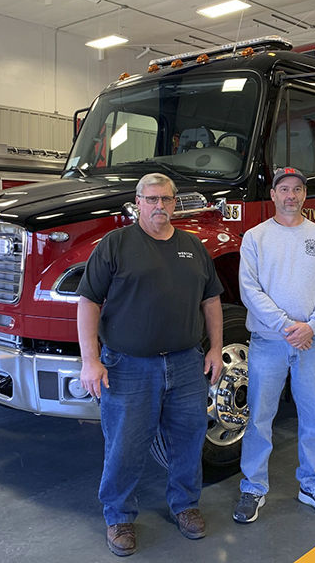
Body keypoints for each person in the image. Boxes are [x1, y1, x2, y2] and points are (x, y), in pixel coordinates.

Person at [77, 172, 224, 557]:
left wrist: (215, 350)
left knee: (188, 441)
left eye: (167, 199)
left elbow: (211, 301)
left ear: (175, 203)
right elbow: (88, 302)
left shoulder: (193, 247)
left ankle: (186, 505)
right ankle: (119, 516)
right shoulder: (116, 244)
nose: (160, 206)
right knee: (125, 445)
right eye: (152, 199)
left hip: (186, 364)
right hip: (128, 367)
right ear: (138, 203)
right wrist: (90, 360)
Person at [233, 167, 315, 523]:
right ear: (273, 195)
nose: (291, 195)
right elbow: (249, 290)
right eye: (284, 189)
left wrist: (311, 326)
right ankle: (253, 487)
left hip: (310, 344)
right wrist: (286, 326)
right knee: (260, 419)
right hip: (268, 343)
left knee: (314, 418)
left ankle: (312, 484)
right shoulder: (255, 238)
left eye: (297, 189)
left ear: (305, 196)